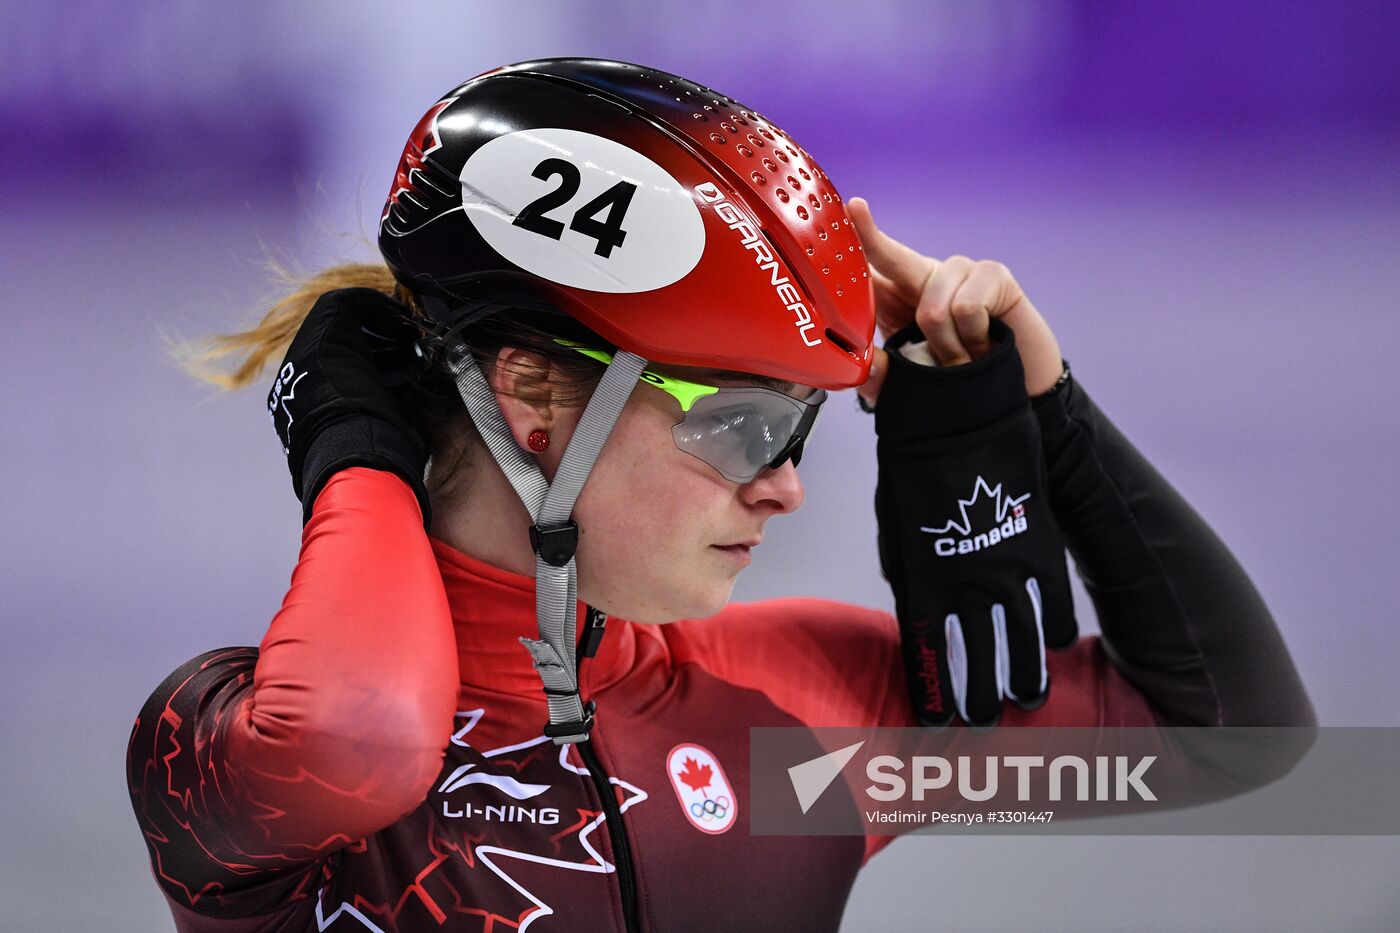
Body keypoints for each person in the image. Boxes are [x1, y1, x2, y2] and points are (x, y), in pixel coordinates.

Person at [126, 58, 1313, 932]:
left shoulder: (796, 718)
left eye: (799, 423)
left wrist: (1045, 405)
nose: (787, 487)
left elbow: (1232, 738)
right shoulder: (219, 740)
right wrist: (352, 444)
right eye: (742, 424)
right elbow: (359, 735)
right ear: (530, 394)